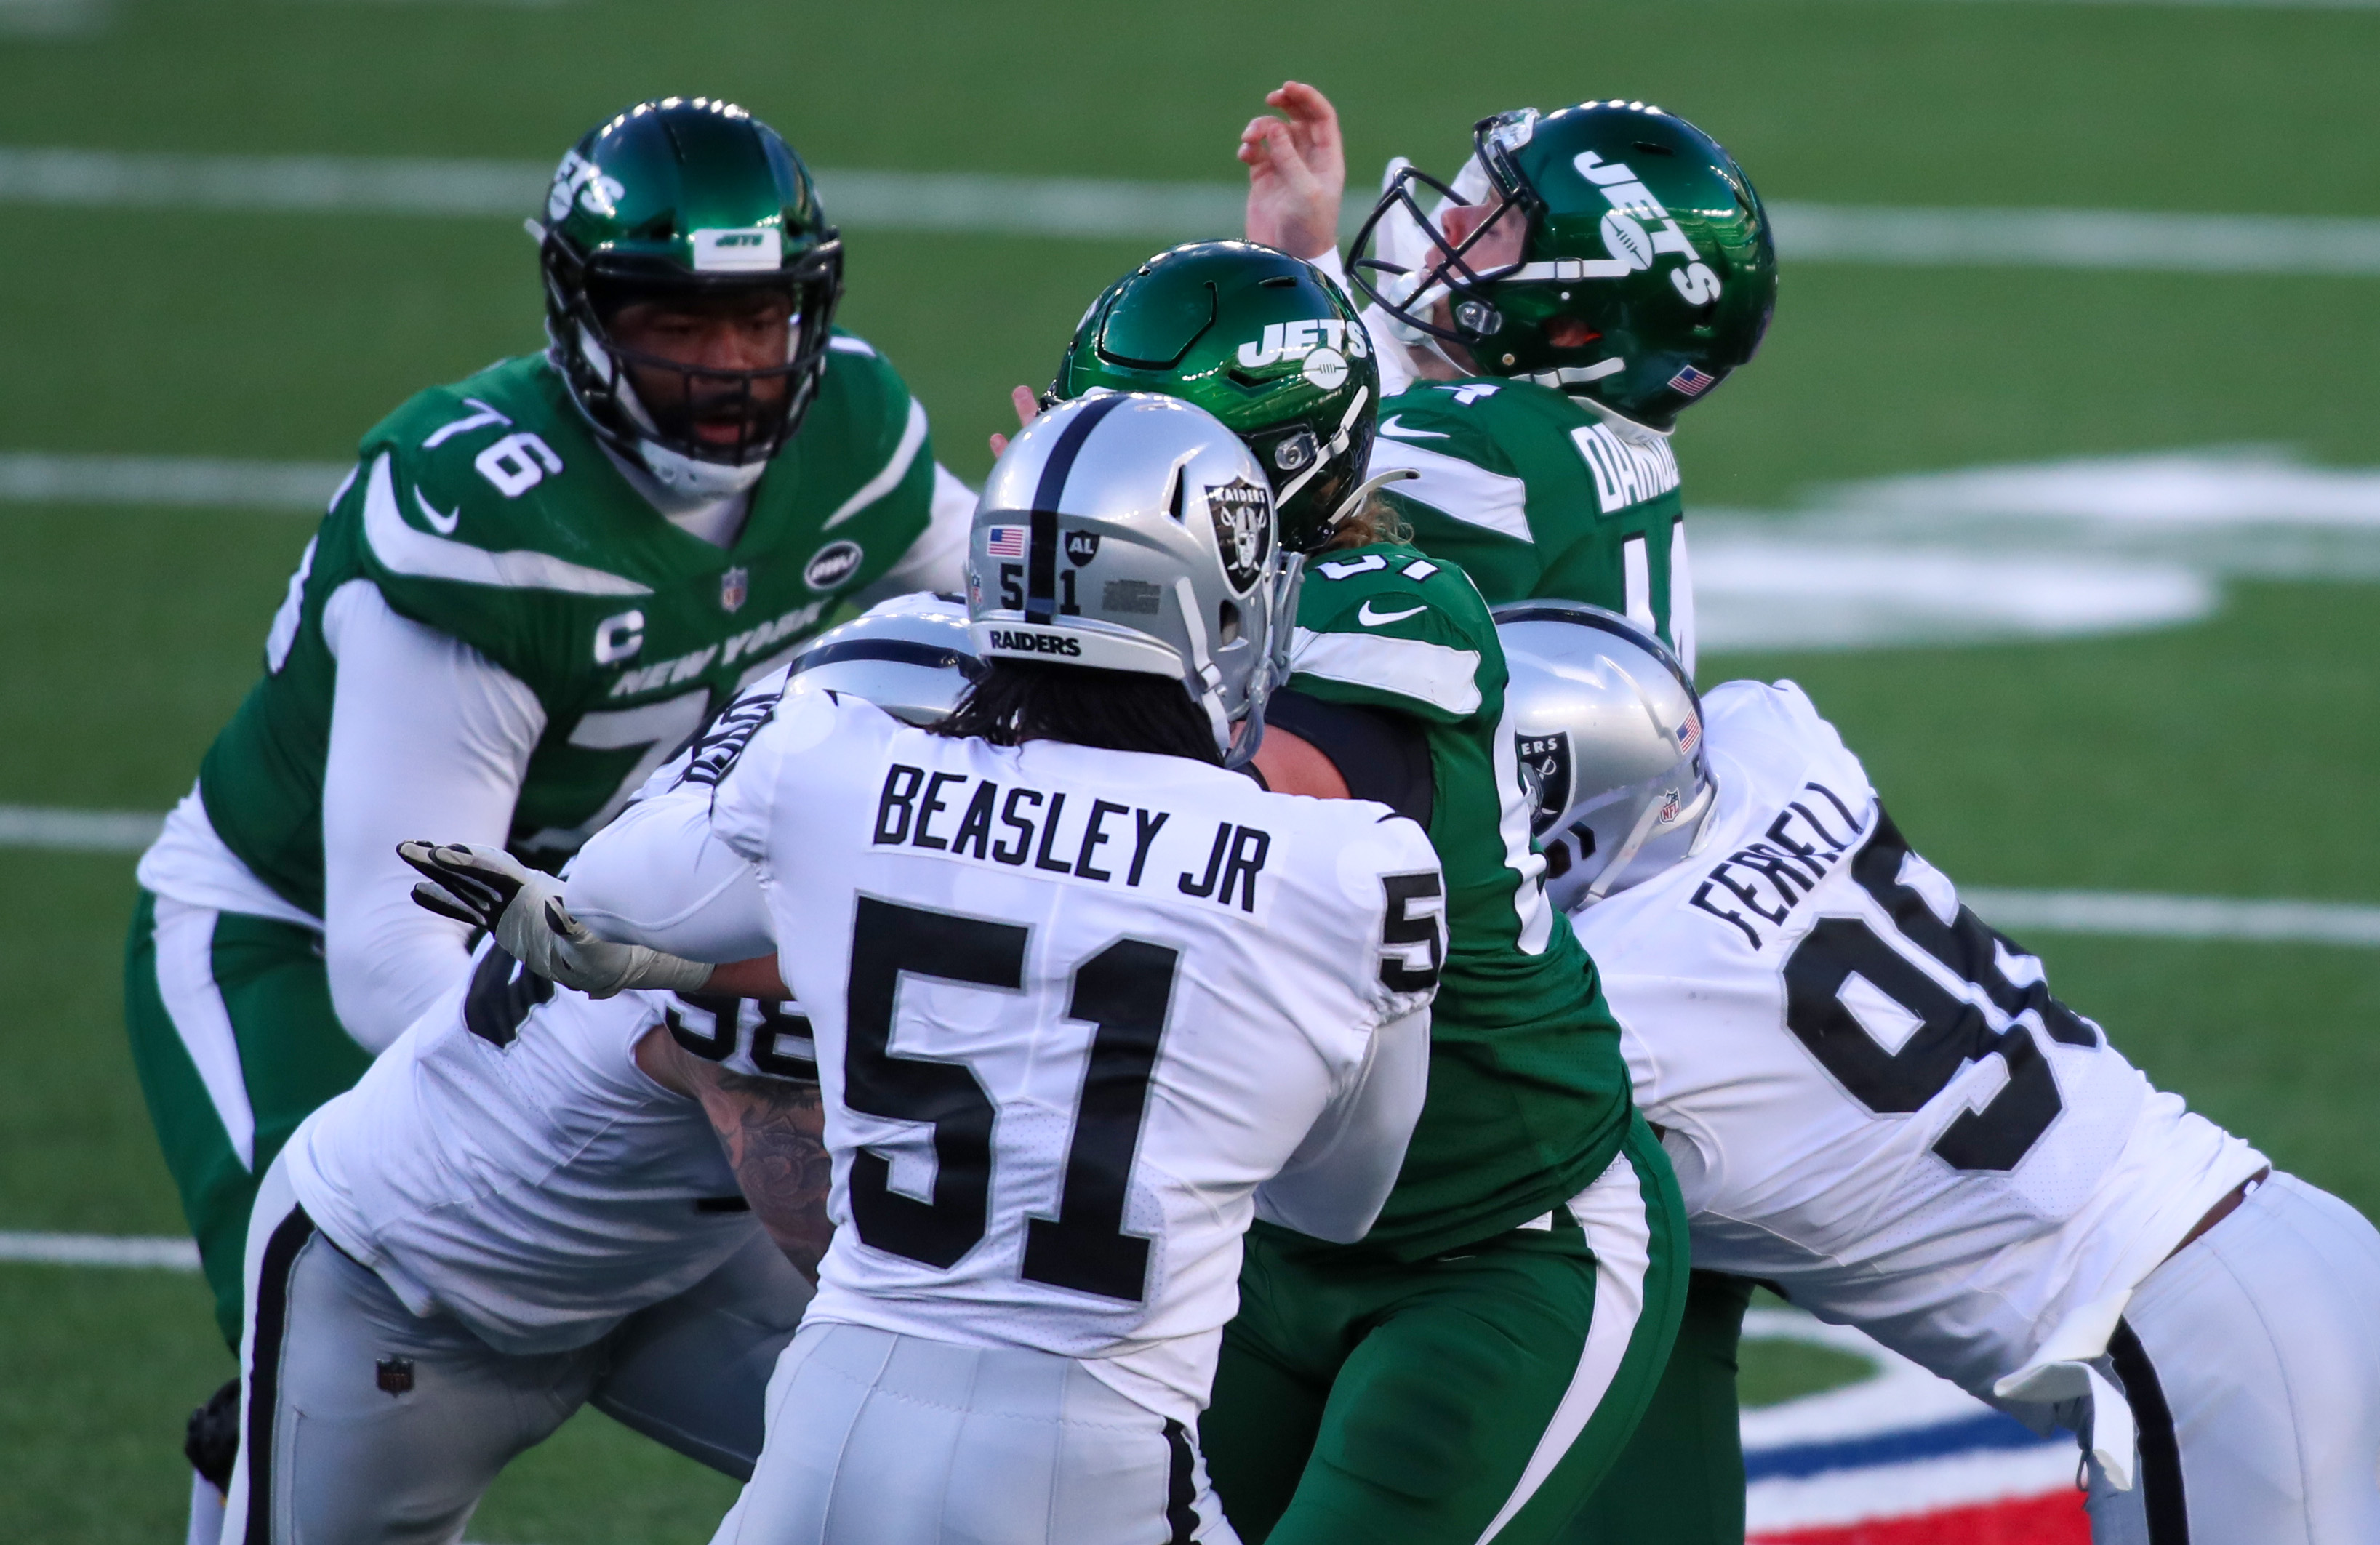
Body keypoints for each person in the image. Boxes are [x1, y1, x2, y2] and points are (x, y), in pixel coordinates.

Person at [124, 95, 977, 1535]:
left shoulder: (856, 440)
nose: (724, 368)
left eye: (758, 317)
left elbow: (1000, 637)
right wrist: (711, 1053)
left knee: (905, 1433)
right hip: (289, 937)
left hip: (603, 936)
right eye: (673, 322)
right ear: (580, 314)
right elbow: (395, 950)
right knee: (308, 1336)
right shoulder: (485, 513)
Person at [410, 393, 1447, 1544]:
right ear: (1204, 610)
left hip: (831, 1420)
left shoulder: (833, 764)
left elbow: (602, 899)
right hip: (1095, 1448)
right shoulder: (1348, 868)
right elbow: (1341, 1202)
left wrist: (643, 934)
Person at [1046, 244, 1688, 1544]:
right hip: (1257, 1233)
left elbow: (1254, 812)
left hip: (1500, 1238)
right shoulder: (1118, 626)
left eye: (1140, 459)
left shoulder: (1392, 610)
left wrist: (1051, 669)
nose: (1092, 489)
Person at [1501, 601, 2380, 1545]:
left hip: (2193, 1347)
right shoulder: (1782, 743)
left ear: (1566, 826)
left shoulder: (1626, 1002)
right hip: (2284, 1238)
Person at [1241, 83, 1780, 1541]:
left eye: (1498, 223)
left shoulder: (1496, 443)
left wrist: (1273, 308)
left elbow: (1246, 468)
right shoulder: (1583, 448)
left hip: (1483, 1038)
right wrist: (1305, 275)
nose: (1449, 233)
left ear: (1581, 306)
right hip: (1602, 1000)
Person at [218, 604, 976, 1545]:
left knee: (963, 1507)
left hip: (676, 1266)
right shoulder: (753, 911)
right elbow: (846, 1243)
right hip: (414, 1285)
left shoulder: (885, 675)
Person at [1241, 83, 1777, 674]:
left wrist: (1297, 285)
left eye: (1495, 224)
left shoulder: (1491, 444)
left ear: (1568, 325)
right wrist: (1304, 255)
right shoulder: (1584, 432)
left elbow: (1257, 478)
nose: (1452, 220)